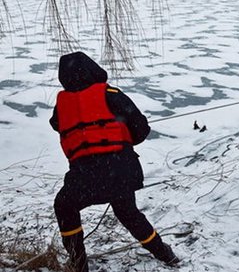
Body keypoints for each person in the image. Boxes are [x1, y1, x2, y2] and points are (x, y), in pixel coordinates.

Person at [50, 52, 179, 272]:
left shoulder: (61, 106)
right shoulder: (111, 94)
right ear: (93, 69)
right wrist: (120, 143)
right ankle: (165, 254)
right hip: (121, 172)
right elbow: (141, 128)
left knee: (64, 206)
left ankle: (79, 265)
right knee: (128, 212)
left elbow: (57, 125)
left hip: (85, 177)